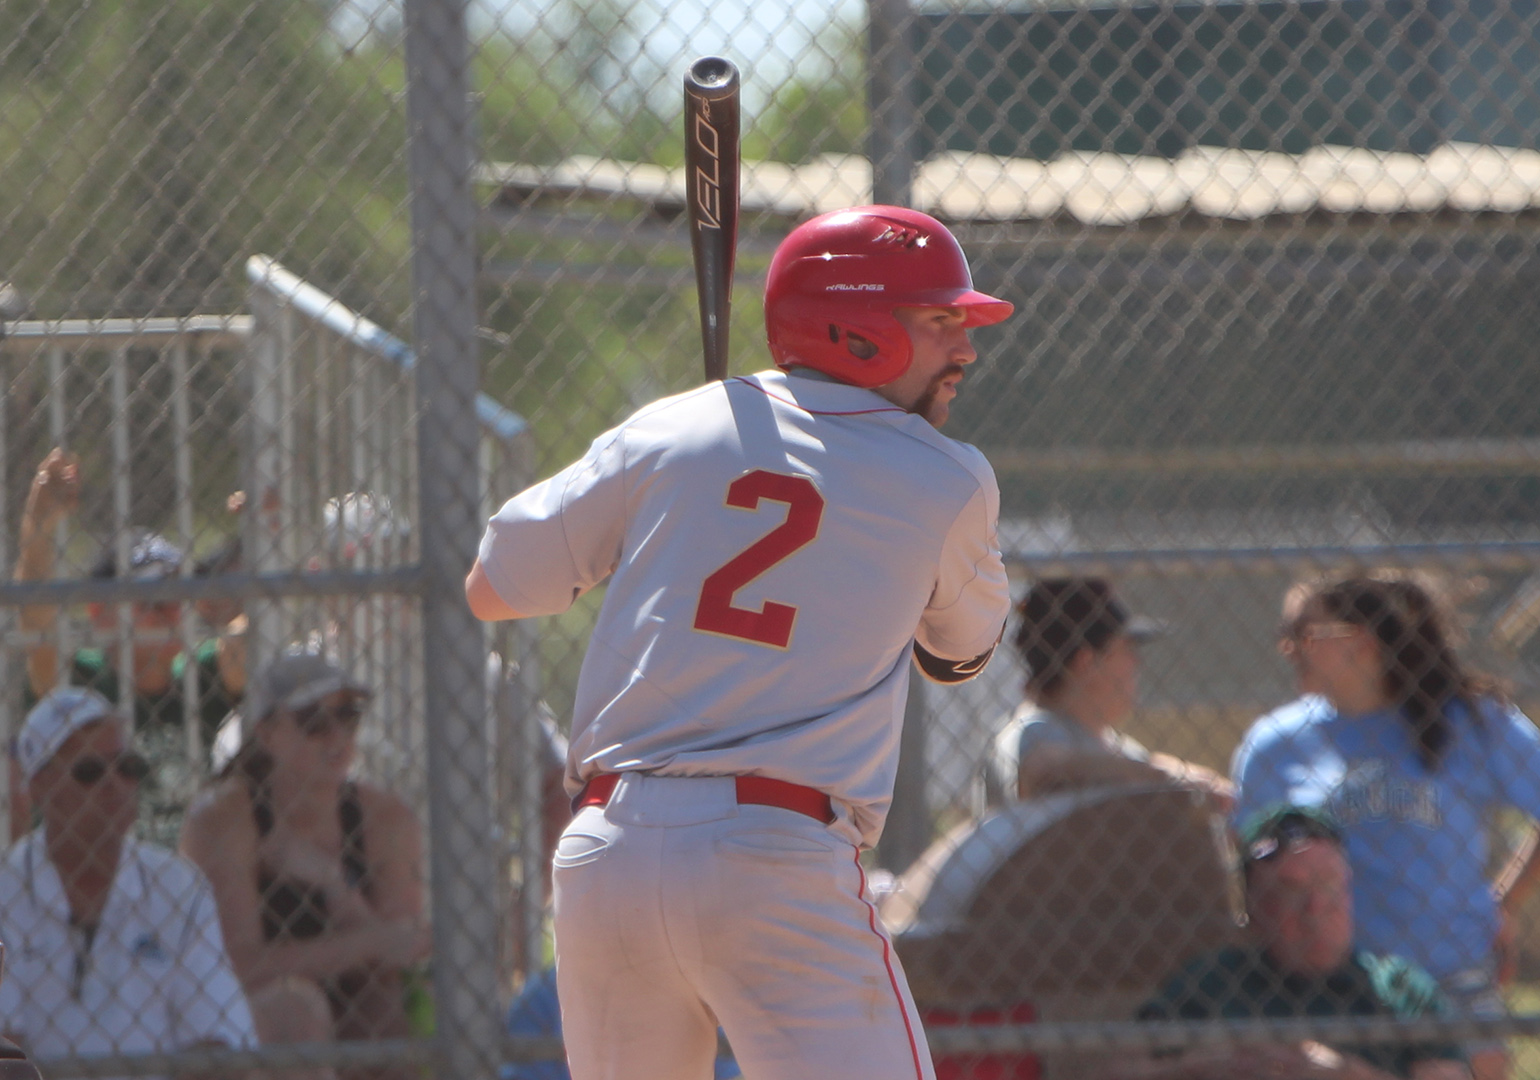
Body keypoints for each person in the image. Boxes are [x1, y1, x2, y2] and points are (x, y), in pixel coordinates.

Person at [467, 205, 1013, 1080]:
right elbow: (961, 654)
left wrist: (680, 509)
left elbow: (491, 588)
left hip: (609, 854)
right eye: (940, 321)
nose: (966, 348)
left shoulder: (674, 426)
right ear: (857, 327)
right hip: (776, 861)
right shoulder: (945, 476)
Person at [1233, 577, 1540, 1080]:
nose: (1287, 647)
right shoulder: (1275, 744)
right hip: (1336, 987)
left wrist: (1505, 902)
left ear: (1360, 641)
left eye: (1302, 631)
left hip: (1448, 967)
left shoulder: (1463, 720)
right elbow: (1248, 862)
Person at [178, 653, 429, 1080]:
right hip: (252, 1017)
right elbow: (238, 967)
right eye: (313, 721)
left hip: (353, 1002)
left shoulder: (385, 818)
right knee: (296, 1007)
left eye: (347, 715)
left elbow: (400, 957)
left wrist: (334, 885)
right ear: (269, 733)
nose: (336, 736)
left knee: (383, 1010)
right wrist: (367, 943)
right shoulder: (223, 821)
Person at [0, 688, 255, 1075]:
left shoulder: (178, 887)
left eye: (126, 767)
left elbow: (217, 1040)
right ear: (40, 787)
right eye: (90, 771)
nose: (115, 784)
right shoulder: (7, 891)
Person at [1120, 806, 1469, 1080]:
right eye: (1290, 892)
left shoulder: (1396, 986)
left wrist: (1345, 1075)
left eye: (1329, 885)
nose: (1315, 909)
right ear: (1253, 911)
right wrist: (1213, 1066)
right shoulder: (1211, 981)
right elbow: (1113, 1071)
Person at [12, 448, 245, 845]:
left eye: (176, 598)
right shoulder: (79, 681)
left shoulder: (201, 677)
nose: (169, 612)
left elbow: (254, 641)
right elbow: (37, 623)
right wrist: (39, 529)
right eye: (150, 601)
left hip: (182, 885)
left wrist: (262, 536)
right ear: (99, 611)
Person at [977, 577, 1234, 813]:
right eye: (1126, 649)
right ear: (1087, 662)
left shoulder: (1114, 745)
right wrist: (1167, 777)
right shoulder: (1033, 730)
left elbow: (1143, 767)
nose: (1136, 663)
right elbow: (1041, 770)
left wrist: (1183, 777)